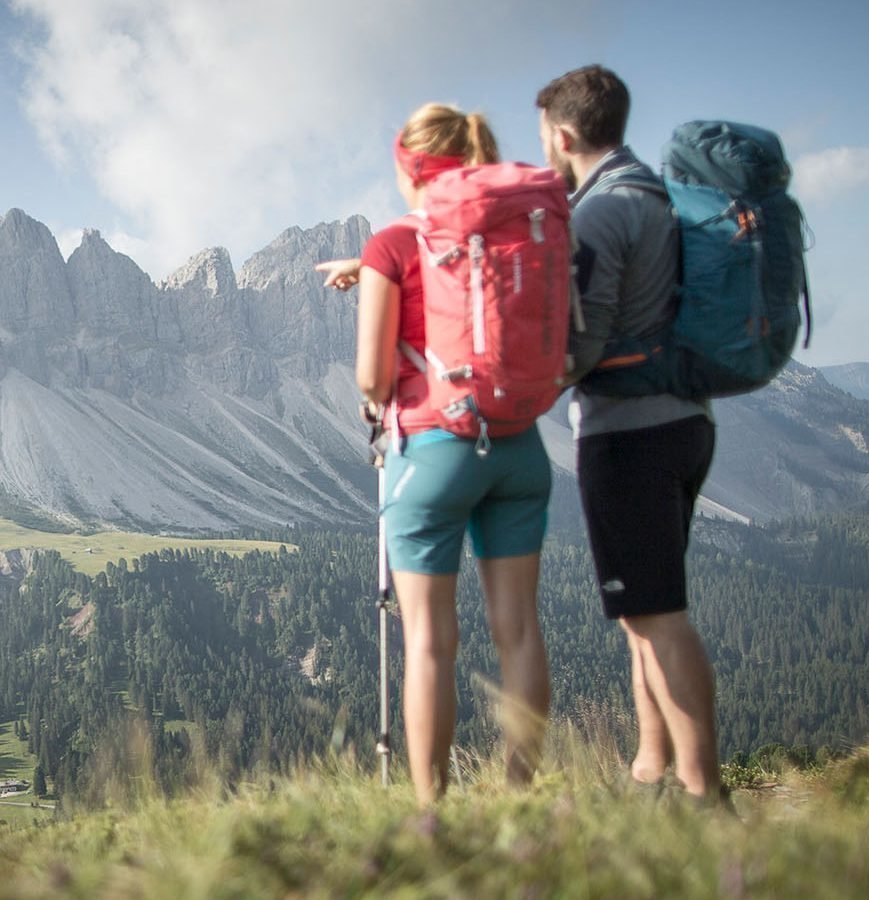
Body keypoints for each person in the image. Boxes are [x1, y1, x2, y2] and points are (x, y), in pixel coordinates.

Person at [320, 103, 553, 806]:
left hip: (435, 451)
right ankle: (521, 798)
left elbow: (371, 377)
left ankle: (432, 811)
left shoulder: (392, 244)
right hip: (520, 446)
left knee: (429, 642)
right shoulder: (515, 232)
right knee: (518, 631)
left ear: (409, 167)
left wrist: (376, 281)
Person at [536, 64, 723, 802]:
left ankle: (705, 792)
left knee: (659, 615)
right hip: (686, 419)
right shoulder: (655, 194)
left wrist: (520, 386)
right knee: (642, 613)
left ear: (564, 134)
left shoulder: (598, 213)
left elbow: (582, 343)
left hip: (628, 432)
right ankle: (651, 770)